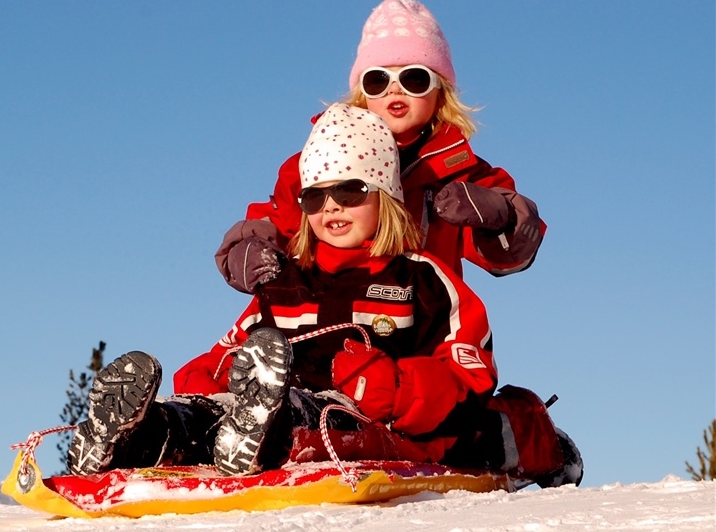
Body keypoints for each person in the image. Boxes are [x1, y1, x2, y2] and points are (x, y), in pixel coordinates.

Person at [67, 104, 581, 488]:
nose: (331, 205)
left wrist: (396, 387)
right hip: (267, 404)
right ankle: (139, 435)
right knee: (209, 415)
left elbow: (469, 379)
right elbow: (225, 352)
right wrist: (208, 381)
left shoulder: (422, 279)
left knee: (309, 419)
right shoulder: (287, 281)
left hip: (365, 420)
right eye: (316, 196)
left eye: (351, 191)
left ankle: (257, 430)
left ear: (385, 198)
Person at [216, 0, 545, 296]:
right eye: (378, 80)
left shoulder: (461, 172)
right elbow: (281, 219)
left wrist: (499, 217)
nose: (394, 90)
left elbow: (509, 257)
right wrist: (251, 246)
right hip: (333, 311)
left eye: (414, 78)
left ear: (440, 91)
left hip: (424, 319)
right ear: (363, 92)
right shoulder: (322, 161)